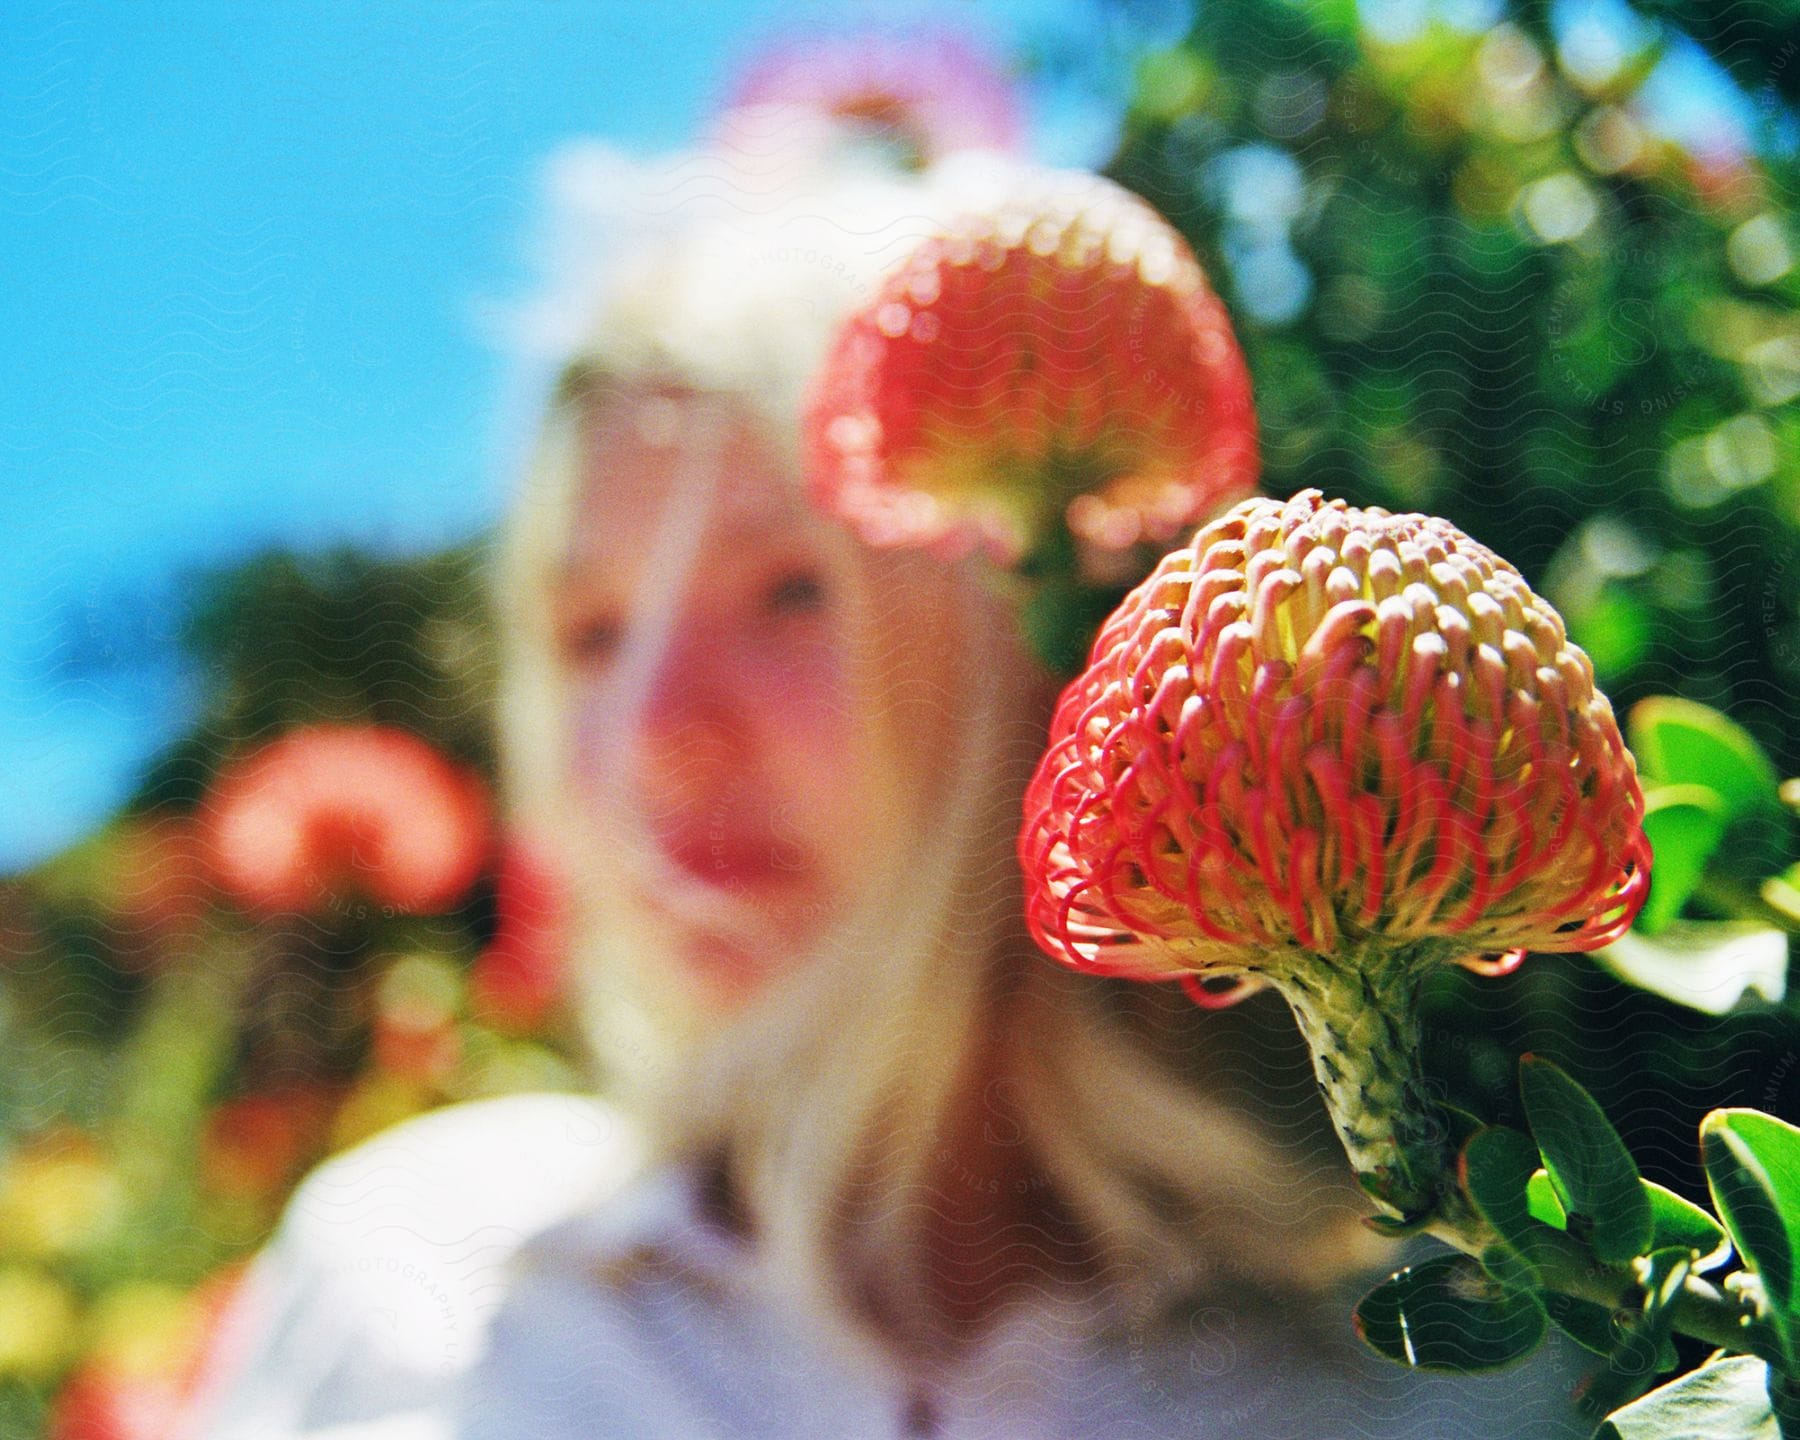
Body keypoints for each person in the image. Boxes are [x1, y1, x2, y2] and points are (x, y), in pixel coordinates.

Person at [181, 119, 1591, 1440]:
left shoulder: (1434, 1384)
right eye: (592, 634)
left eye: (789, 590)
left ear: (1054, 641)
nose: (654, 731)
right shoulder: (408, 1284)